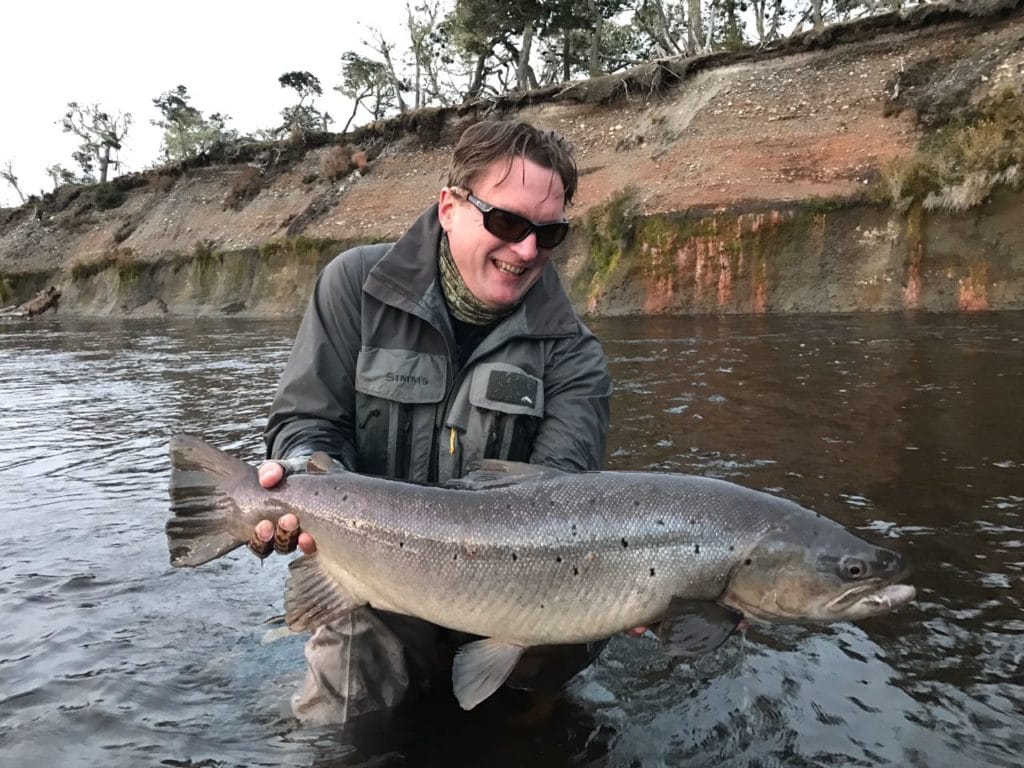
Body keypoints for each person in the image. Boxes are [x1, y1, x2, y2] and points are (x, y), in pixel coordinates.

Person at [253, 119, 615, 726]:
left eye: (548, 234)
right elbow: (308, 424)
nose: (527, 250)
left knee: (565, 657)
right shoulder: (354, 286)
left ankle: (518, 718)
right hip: (376, 586)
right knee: (341, 724)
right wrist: (299, 483)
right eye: (507, 223)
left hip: (517, 599)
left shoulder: (575, 356)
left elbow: (560, 502)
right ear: (449, 207)